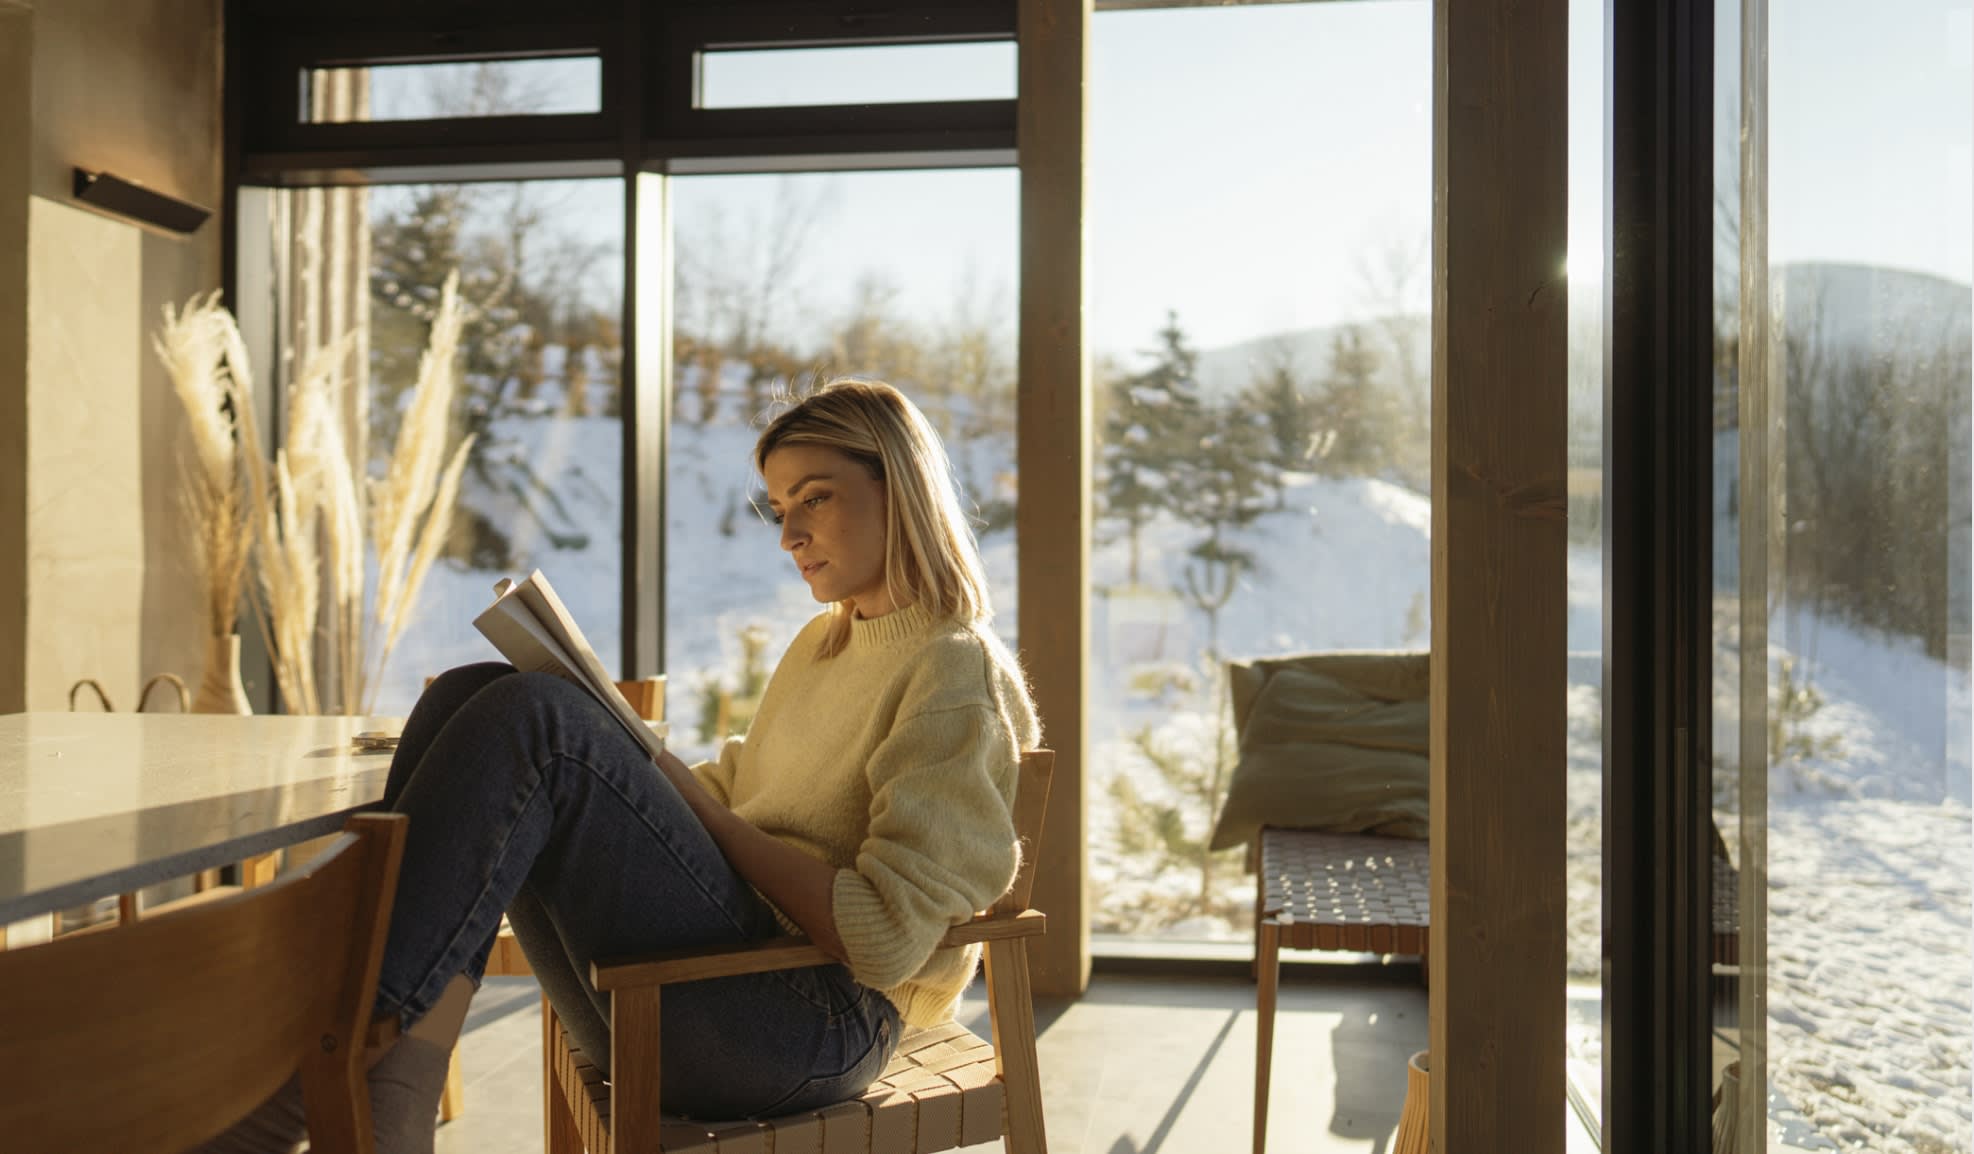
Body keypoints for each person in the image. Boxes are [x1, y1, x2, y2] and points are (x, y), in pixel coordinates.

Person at [203, 379, 1040, 1153]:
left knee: (540, 719)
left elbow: (886, 939)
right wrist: (633, 755)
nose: (789, 535)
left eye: (814, 498)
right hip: (677, 992)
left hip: (811, 1028)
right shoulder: (825, 642)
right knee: (471, 689)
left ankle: (328, 1065)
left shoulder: (952, 672)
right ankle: (394, 1074)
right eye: (780, 508)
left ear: (900, 485)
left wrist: (670, 792)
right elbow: (745, 796)